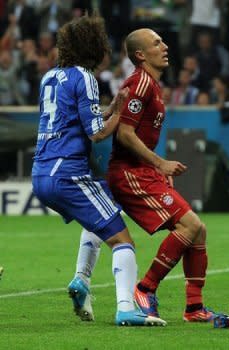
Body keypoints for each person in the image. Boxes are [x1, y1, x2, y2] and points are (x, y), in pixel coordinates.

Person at [31, 15, 165, 327]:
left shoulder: (50, 77)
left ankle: (81, 280)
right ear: (92, 45)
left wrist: (109, 110)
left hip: (41, 173)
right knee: (122, 240)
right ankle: (126, 309)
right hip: (68, 173)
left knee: (103, 210)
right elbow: (96, 133)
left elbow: (73, 119)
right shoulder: (85, 77)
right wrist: (119, 111)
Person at [105, 28, 217, 322]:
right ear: (141, 55)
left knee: (198, 229)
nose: (165, 46)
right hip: (129, 173)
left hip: (142, 171)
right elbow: (125, 134)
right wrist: (160, 163)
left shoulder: (152, 85)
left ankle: (194, 307)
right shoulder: (140, 83)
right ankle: (144, 288)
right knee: (190, 225)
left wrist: (156, 166)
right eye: (157, 43)